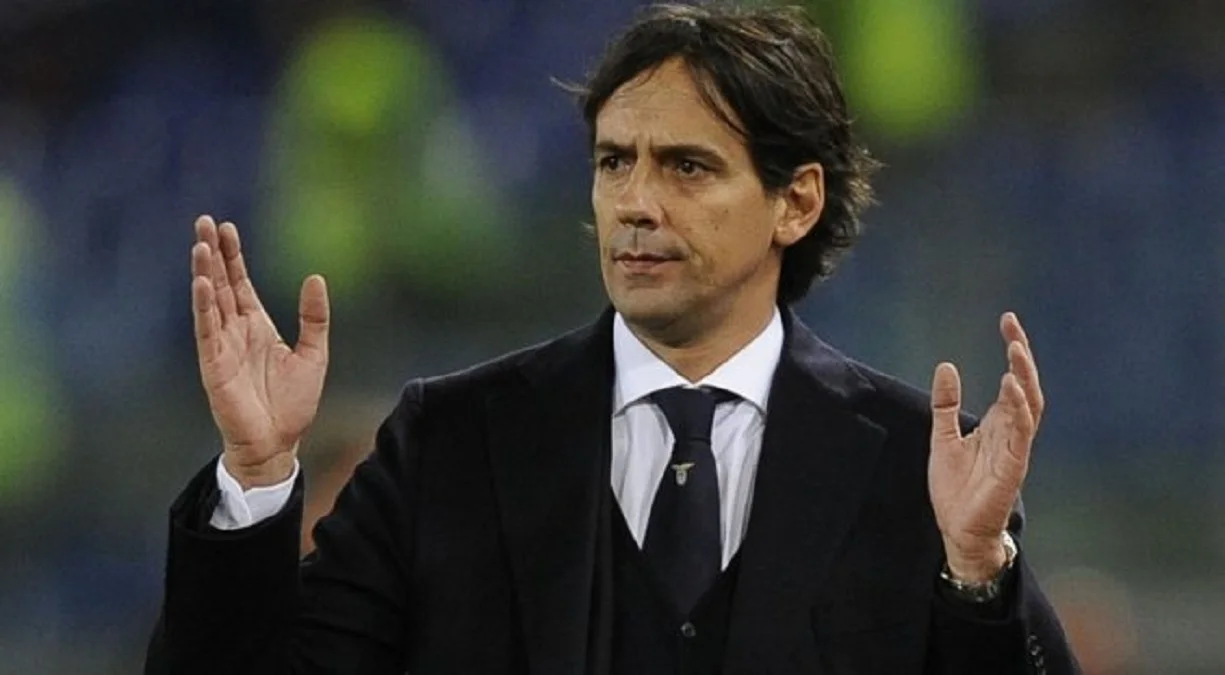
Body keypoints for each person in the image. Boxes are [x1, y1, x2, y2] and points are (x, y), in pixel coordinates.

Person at [144, 4, 1080, 674]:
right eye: (613, 163)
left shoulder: (912, 464)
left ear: (795, 201)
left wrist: (976, 577)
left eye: (686, 167)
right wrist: (257, 475)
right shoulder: (450, 440)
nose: (634, 203)